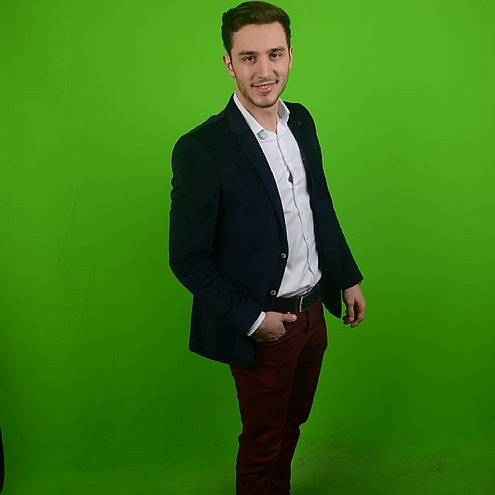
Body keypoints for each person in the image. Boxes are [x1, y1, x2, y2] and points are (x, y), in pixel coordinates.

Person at [168, 2, 366, 493]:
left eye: (274, 54)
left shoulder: (302, 121)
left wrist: (347, 277)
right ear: (229, 63)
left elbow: (319, 207)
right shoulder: (202, 149)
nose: (264, 70)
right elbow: (187, 257)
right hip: (266, 326)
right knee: (263, 444)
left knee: (290, 427)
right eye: (249, 57)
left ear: (290, 55)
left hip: (314, 314)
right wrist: (255, 321)